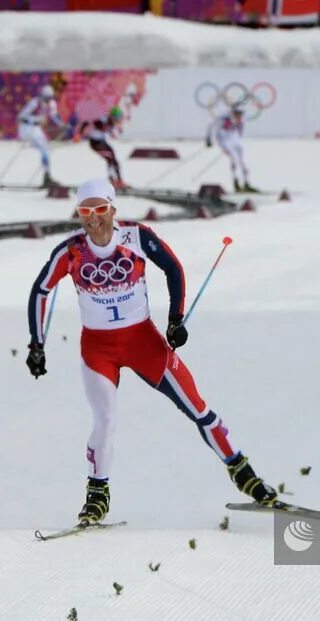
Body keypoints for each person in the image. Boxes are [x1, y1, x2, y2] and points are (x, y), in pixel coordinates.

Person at [24, 178, 277, 525]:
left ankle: (243, 472)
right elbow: (40, 291)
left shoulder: (136, 237)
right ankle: (97, 496)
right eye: (86, 211)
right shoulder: (71, 251)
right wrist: (36, 345)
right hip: (98, 349)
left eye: (100, 210)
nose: (93, 218)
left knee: (197, 407)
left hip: (142, 341)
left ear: (113, 209)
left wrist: (175, 320)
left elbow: (173, 268)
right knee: (105, 420)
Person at [17, 84, 67, 188]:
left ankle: (47, 175)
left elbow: (54, 116)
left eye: (49, 98)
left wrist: (62, 125)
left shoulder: (52, 103)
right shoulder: (35, 102)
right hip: (27, 128)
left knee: (46, 150)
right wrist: (31, 119)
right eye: (46, 98)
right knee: (44, 149)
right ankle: (46, 175)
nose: (47, 100)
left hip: (36, 129)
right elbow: (21, 116)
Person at [206, 106, 258, 193]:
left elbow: (240, 132)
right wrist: (208, 139)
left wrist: (238, 139)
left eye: (241, 114)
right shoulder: (223, 119)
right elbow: (211, 125)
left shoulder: (241, 121)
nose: (240, 117)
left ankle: (246, 184)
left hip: (235, 140)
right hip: (225, 141)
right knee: (234, 160)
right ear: (233, 114)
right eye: (237, 114)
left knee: (244, 162)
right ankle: (236, 183)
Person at [79, 106, 128, 190]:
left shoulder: (112, 123)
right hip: (95, 143)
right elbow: (87, 122)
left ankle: (119, 180)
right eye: (116, 119)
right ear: (112, 116)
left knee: (114, 160)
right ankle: (112, 180)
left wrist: (114, 132)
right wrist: (81, 132)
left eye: (119, 119)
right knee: (110, 158)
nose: (117, 121)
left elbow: (113, 133)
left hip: (102, 142)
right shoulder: (103, 120)